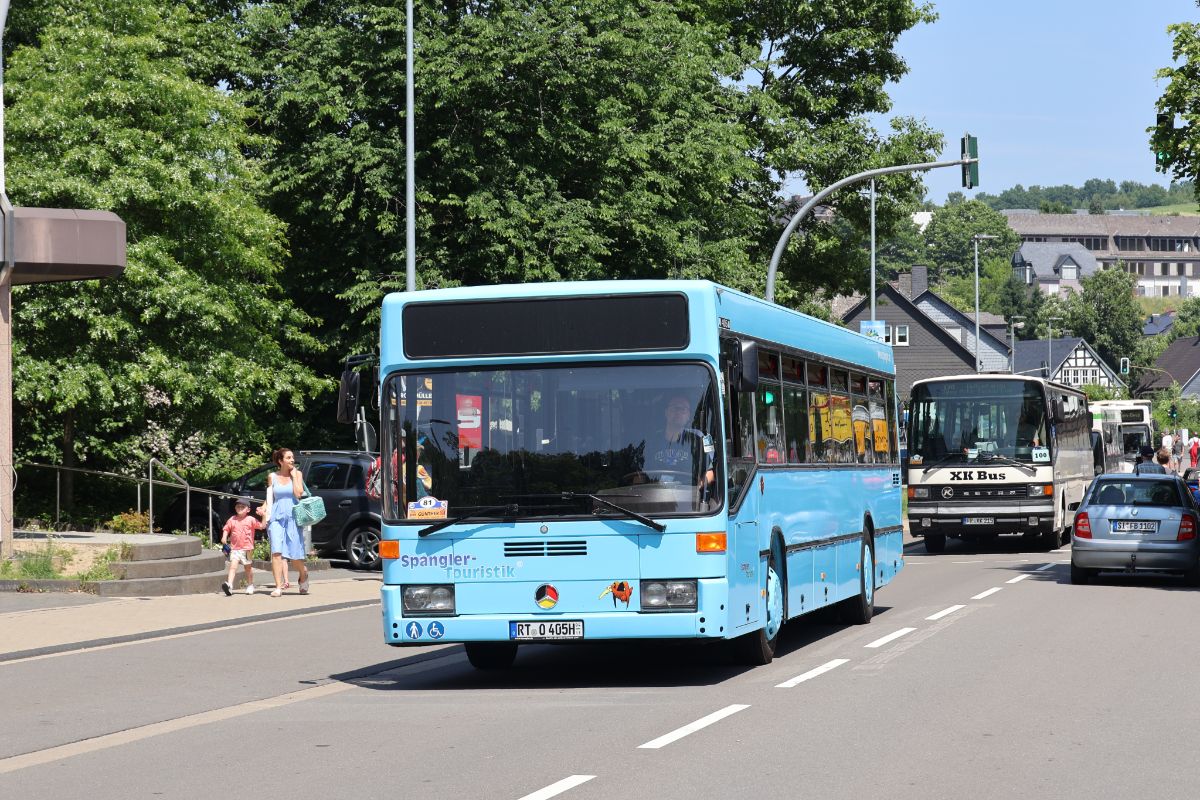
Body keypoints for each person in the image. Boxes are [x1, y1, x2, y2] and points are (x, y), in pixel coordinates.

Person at [258, 448, 309, 597]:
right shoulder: (272, 476)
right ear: (280, 461)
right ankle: (278, 587)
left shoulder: (297, 474)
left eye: (292, 457)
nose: (292, 460)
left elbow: (299, 494)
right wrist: (263, 509)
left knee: (294, 555)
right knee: (276, 552)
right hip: (276, 517)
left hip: (293, 517)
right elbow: (270, 497)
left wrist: (294, 476)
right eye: (288, 458)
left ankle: (303, 573)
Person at [638, 395, 716, 491]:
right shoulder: (651, 442)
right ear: (666, 412)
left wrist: (697, 488)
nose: (678, 412)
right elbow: (640, 474)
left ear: (688, 416)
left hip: (688, 499)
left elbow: (710, 473)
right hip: (654, 497)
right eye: (674, 407)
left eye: (683, 409)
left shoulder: (697, 442)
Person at [220, 499, 264, 596]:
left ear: (248, 509)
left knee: (248, 568)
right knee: (233, 567)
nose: (239, 508)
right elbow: (226, 528)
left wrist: (264, 515)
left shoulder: (251, 519)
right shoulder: (232, 519)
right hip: (235, 548)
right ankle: (230, 585)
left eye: (242, 507)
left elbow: (261, 526)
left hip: (247, 549)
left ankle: (250, 584)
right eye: (238, 507)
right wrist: (224, 536)